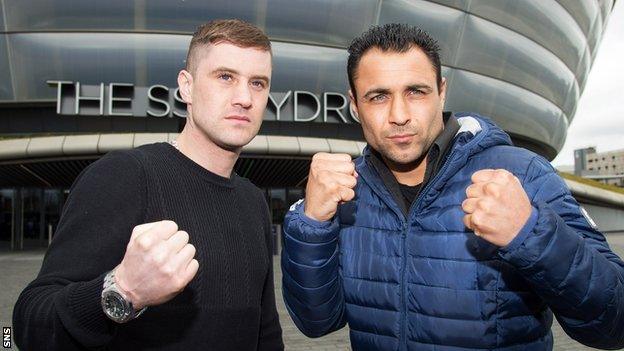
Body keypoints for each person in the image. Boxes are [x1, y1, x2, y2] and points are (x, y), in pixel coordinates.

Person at [281, 23, 624, 350]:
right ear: (355, 104)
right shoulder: (345, 192)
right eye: (379, 97)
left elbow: (615, 322)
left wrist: (531, 233)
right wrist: (312, 224)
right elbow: (317, 323)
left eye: (416, 92)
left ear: (442, 92)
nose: (399, 114)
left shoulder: (523, 173)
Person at [13, 19, 283, 351]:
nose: (244, 97)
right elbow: (28, 326)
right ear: (187, 86)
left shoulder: (253, 200)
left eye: (258, 83)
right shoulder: (125, 176)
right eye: (225, 77)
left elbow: (265, 333)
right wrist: (123, 290)